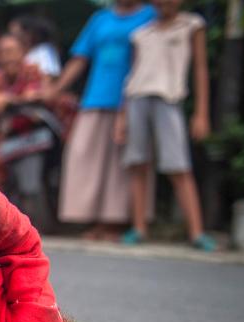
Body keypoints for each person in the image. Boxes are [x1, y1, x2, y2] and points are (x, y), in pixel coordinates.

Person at [44, 0, 156, 239]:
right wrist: (55, 90)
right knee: (84, 156)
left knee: (120, 164)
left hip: (133, 99)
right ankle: (93, 219)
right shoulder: (101, 19)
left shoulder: (150, 15)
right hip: (95, 97)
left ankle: (115, 223)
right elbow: (80, 58)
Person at [115, 0, 215, 251]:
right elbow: (131, 75)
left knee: (178, 165)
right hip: (137, 98)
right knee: (137, 163)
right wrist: (122, 117)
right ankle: (138, 228)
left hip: (169, 99)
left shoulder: (191, 25)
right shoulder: (141, 33)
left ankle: (197, 232)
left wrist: (201, 113)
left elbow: (200, 69)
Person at [0, 35, 52, 230]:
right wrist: (19, 99)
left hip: (33, 137)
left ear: (22, 53)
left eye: (12, 51)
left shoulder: (33, 70)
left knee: (30, 185)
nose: (8, 57)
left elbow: (41, 95)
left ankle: (35, 230)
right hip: (6, 139)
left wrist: (9, 100)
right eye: (3, 52)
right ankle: (10, 229)